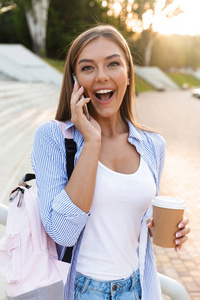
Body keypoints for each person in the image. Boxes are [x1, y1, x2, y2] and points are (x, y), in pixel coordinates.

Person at [32, 25, 190, 300]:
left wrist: (162, 228)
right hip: (81, 290)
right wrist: (92, 142)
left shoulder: (153, 145)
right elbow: (62, 233)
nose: (102, 76)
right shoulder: (54, 138)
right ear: (75, 80)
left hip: (137, 288)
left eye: (113, 64)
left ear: (128, 74)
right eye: (88, 68)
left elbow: (130, 220)